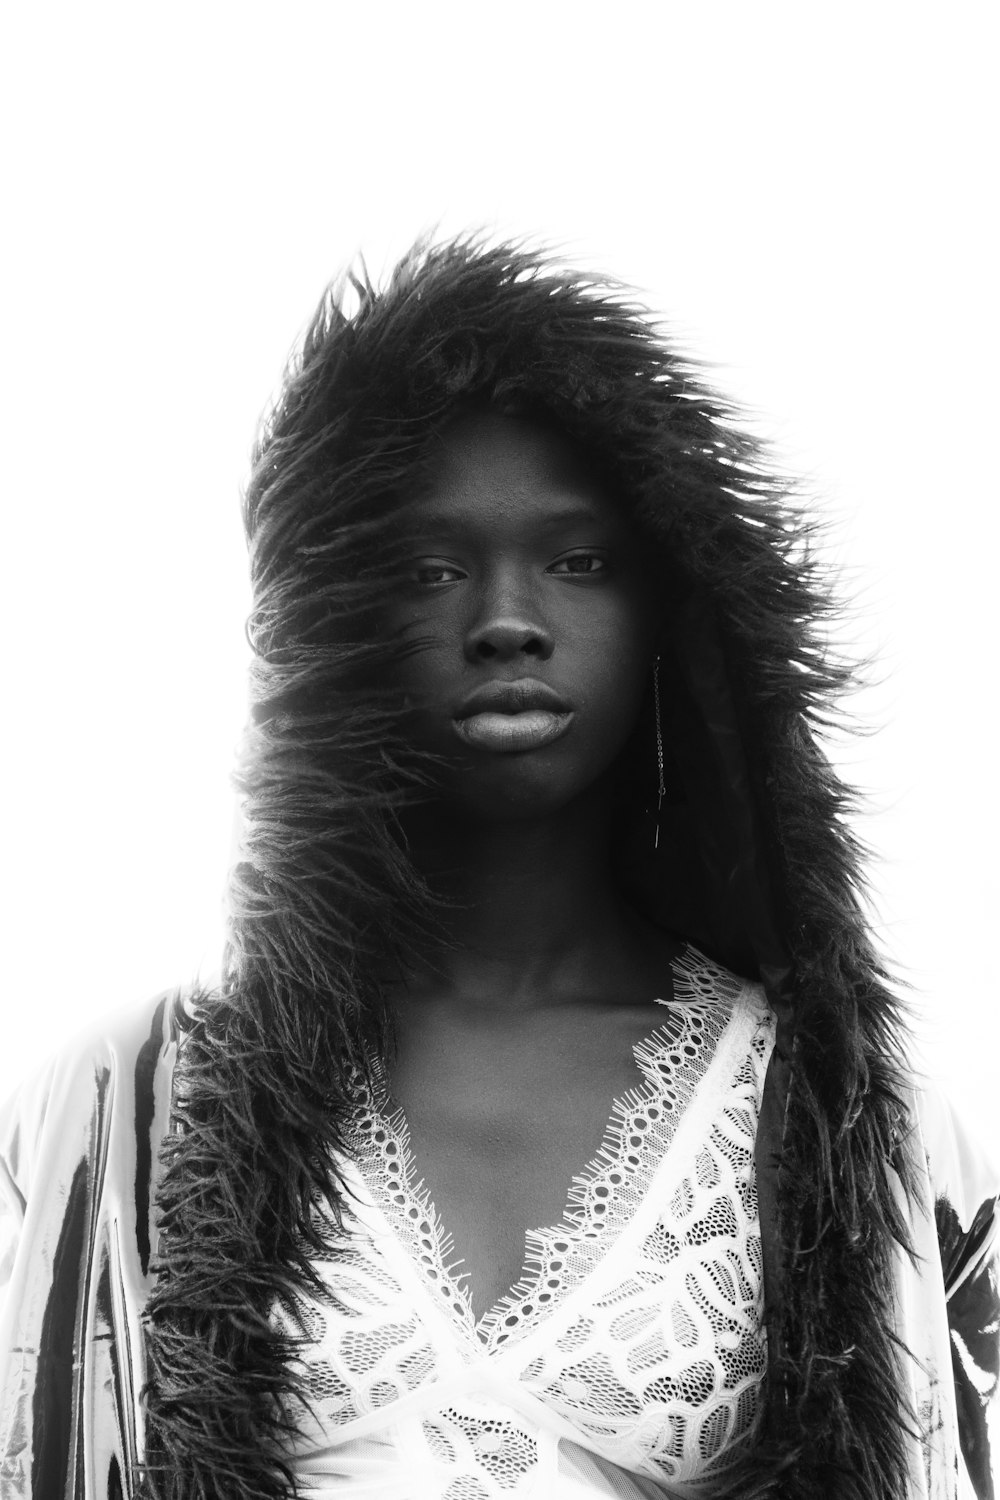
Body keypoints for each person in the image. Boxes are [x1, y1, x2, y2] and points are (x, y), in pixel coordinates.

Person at [1, 238, 997, 1500]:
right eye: (429, 569)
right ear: (332, 621)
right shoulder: (132, 1100)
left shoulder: (849, 1128)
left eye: (579, 561)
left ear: (670, 619)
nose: (507, 618)